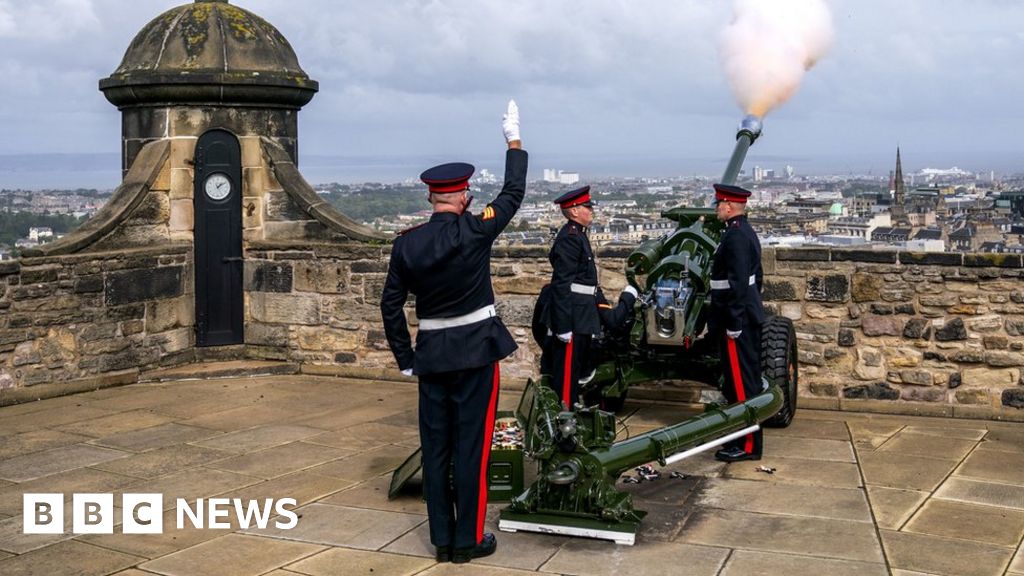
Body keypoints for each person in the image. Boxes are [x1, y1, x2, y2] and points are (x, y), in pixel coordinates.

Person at [380, 100, 527, 564]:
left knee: (436, 448)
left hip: (433, 355)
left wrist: (406, 359)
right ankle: (468, 540)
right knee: (473, 449)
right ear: (463, 197)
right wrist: (514, 140)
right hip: (476, 353)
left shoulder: (408, 244)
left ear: (431, 198)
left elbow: (389, 305)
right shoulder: (475, 230)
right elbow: (513, 192)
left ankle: (442, 540)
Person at [708, 183, 767, 462]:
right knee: (739, 381)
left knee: (742, 384)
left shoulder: (735, 236)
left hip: (737, 321)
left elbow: (738, 283)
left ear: (729, 206)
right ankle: (741, 438)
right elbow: (757, 278)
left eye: (719, 204)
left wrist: (734, 321)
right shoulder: (741, 232)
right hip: (741, 316)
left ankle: (747, 445)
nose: (717, 208)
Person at [543, 186, 601, 409]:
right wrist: (563, 325)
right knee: (566, 375)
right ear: (575, 211)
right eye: (587, 207)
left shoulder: (578, 236)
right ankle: (564, 418)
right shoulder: (570, 238)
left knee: (574, 370)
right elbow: (562, 284)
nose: (591, 211)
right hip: (573, 316)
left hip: (582, 313)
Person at [532, 282, 638, 380]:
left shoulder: (548, 289)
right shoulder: (590, 292)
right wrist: (629, 296)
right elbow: (613, 321)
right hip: (580, 365)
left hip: (551, 362)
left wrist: (551, 350)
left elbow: (538, 329)